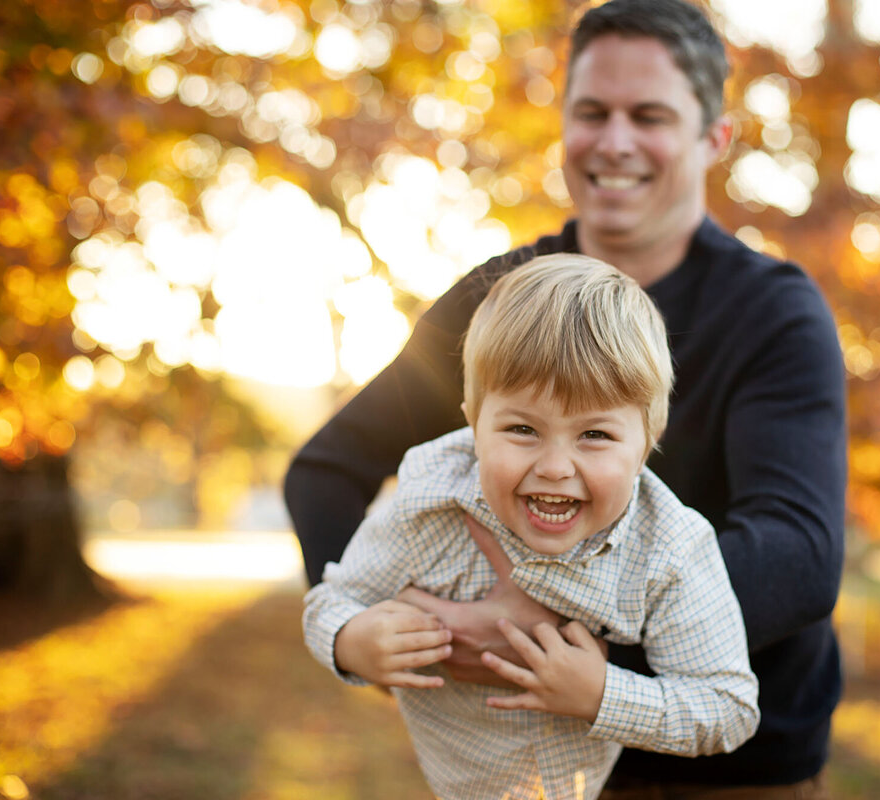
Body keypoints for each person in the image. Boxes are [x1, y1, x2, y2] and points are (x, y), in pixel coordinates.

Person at [286, 0, 846, 796]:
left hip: (732, 773)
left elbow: (798, 552)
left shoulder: (773, 312)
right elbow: (326, 469)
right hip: (523, 767)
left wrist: (552, 631)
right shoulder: (499, 302)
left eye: (649, 115)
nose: (614, 141)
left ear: (713, 138)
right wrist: (378, 632)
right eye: (592, 112)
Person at [303, 255, 760, 800]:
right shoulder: (429, 503)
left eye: (594, 435)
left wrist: (599, 692)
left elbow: (728, 708)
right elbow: (331, 601)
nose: (554, 467)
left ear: (647, 438)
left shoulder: (669, 549)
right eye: (522, 428)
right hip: (453, 781)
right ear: (473, 421)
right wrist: (352, 642)